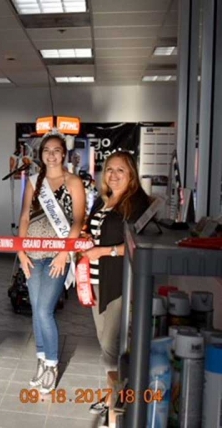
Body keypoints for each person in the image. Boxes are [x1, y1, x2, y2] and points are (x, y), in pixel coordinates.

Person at [17, 131, 85, 394]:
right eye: (47, 150)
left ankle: (52, 364)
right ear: (41, 154)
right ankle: (41, 359)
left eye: (56, 150)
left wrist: (63, 253)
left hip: (58, 255)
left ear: (63, 154)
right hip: (32, 254)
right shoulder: (34, 181)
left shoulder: (74, 181)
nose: (51, 155)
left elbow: (78, 221)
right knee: (36, 310)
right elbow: (24, 217)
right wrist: (21, 252)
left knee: (45, 310)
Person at [83, 151, 149, 390]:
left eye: (120, 170)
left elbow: (137, 245)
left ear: (131, 174)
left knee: (111, 346)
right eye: (109, 169)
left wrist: (103, 252)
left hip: (120, 281)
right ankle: (116, 397)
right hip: (96, 279)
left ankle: (118, 402)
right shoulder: (103, 200)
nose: (113, 174)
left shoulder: (138, 203)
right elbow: (94, 233)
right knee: (104, 342)